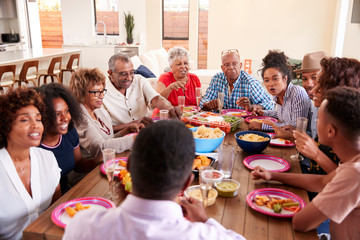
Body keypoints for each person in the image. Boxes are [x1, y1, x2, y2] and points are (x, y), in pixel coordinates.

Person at [63, 120, 246, 240]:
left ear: (128, 169)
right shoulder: (204, 235)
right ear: (186, 183)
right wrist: (205, 221)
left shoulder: (82, 226)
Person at [251, 87, 360, 240]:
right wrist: (273, 175)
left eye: (319, 119)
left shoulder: (354, 174)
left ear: (330, 131)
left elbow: (300, 222)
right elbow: (322, 181)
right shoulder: (353, 160)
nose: (315, 122)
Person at [0, 88, 61, 240]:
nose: (36, 125)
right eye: (25, 120)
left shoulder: (47, 159)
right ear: (5, 126)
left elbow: (57, 208)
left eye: (38, 119)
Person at [293, 57, 360, 175]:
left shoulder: (350, 130)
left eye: (319, 84)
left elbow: (346, 178)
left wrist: (316, 154)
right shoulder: (328, 113)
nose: (313, 89)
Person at [37, 83, 101, 193]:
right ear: (42, 116)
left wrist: (98, 161)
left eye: (66, 111)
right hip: (44, 204)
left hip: (66, 193)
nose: (65, 118)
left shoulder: (69, 133)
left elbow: (78, 164)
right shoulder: (34, 146)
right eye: (57, 114)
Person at [102, 53, 182, 131]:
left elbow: (156, 99)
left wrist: (169, 107)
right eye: (123, 74)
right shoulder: (100, 91)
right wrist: (133, 124)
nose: (129, 78)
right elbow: (102, 129)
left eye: (132, 72)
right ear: (110, 73)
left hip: (145, 133)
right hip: (120, 137)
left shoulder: (139, 80)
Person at [69, 68, 137, 159]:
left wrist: (126, 131)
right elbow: (100, 147)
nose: (101, 96)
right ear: (81, 93)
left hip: (106, 161)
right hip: (91, 169)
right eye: (96, 92)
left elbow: (107, 139)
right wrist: (135, 139)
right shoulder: (79, 117)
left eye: (102, 91)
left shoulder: (97, 110)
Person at [240, 50, 311, 131]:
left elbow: (295, 126)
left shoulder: (297, 92)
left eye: (275, 79)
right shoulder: (278, 95)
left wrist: (262, 126)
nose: (271, 84)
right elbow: (282, 114)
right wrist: (263, 112)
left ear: (285, 78)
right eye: (267, 80)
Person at [199, 49, 274, 111]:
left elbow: (269, 104)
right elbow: (204, 100)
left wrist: (252, 107)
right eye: (227, 65)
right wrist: (208, 104)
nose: (231, 67)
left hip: (244, 123)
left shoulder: (250, 82)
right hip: (221, 122)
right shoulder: (217, 79)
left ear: (240, 65)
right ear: (222, 68)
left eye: (234, 64)